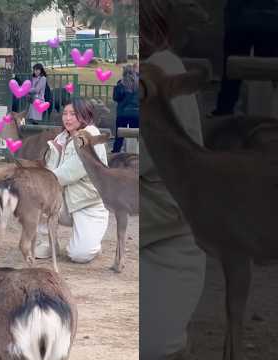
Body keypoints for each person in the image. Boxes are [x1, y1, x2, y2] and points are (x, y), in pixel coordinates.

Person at [140, 1, 206, 359]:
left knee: (154, 344)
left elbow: (149, 153)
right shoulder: (159, 66)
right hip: (157, 216)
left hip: (166, 218)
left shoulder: (160, 72)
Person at [34, 97, 109, 263]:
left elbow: (67, 174)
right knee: (38, 196)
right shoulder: (61, 138)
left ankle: (91, 243)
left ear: (85, 115)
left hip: (89, 205)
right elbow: (50, 171)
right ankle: (48, 242)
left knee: (78, 255)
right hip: (67, 201)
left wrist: (37, 181)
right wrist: (56, 152)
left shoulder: (91, 137)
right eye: (65, 114)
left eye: (73, 114)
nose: (67, 118)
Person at [208, 0, 278, 117]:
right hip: (268, 21)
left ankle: (224, 110)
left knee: (232, 71)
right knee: (271, 71)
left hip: (241, 20)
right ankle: (225, 109)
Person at [112, 65, 139, 153]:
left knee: (119, 136)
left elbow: (116, 98)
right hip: (136, 114)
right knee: (136, 135)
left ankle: (116, 152)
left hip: (122, 114)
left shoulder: (120, 84)